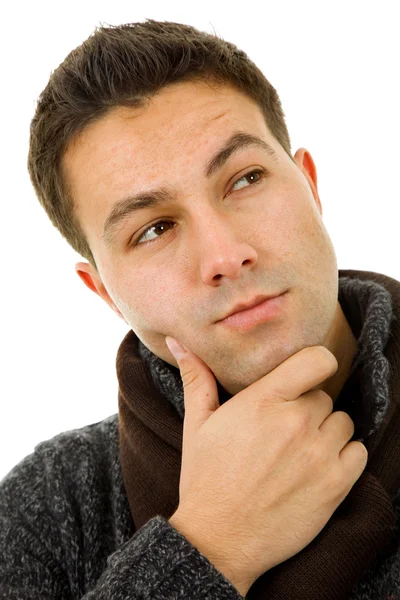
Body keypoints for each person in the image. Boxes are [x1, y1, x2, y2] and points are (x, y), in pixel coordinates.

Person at [1, 18, 400, 600]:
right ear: (105, 293)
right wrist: (210, 545)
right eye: (155, 228)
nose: (226, 254)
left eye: (244, 180)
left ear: (310, 186)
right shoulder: (49, 510)